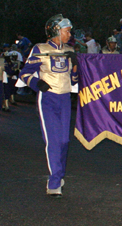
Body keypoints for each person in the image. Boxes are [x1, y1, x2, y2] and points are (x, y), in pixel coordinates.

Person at [19, 15, 79, 196]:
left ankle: (59, 174)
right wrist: (37, 84)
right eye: (67, 31)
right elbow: (25, 74)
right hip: (48, 99)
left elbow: (74, 79)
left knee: (64, 141)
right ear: (56, 30)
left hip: (65, 98)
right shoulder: (40, 49)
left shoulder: (69, 50)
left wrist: (75, 64)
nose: (69, 34)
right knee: (53, 141)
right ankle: (54, 182)